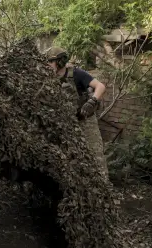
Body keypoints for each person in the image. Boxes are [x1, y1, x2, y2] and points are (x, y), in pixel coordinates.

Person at [45, 46, 110, 181]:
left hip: (86, 121)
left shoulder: (77, 73)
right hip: (68, 122)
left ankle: (105, 191)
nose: (48, 65)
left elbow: (100, 87)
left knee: (95, 156)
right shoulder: (50, 78)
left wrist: (92, 101)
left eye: (51, 61)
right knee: (70, 158)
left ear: (60, 61)